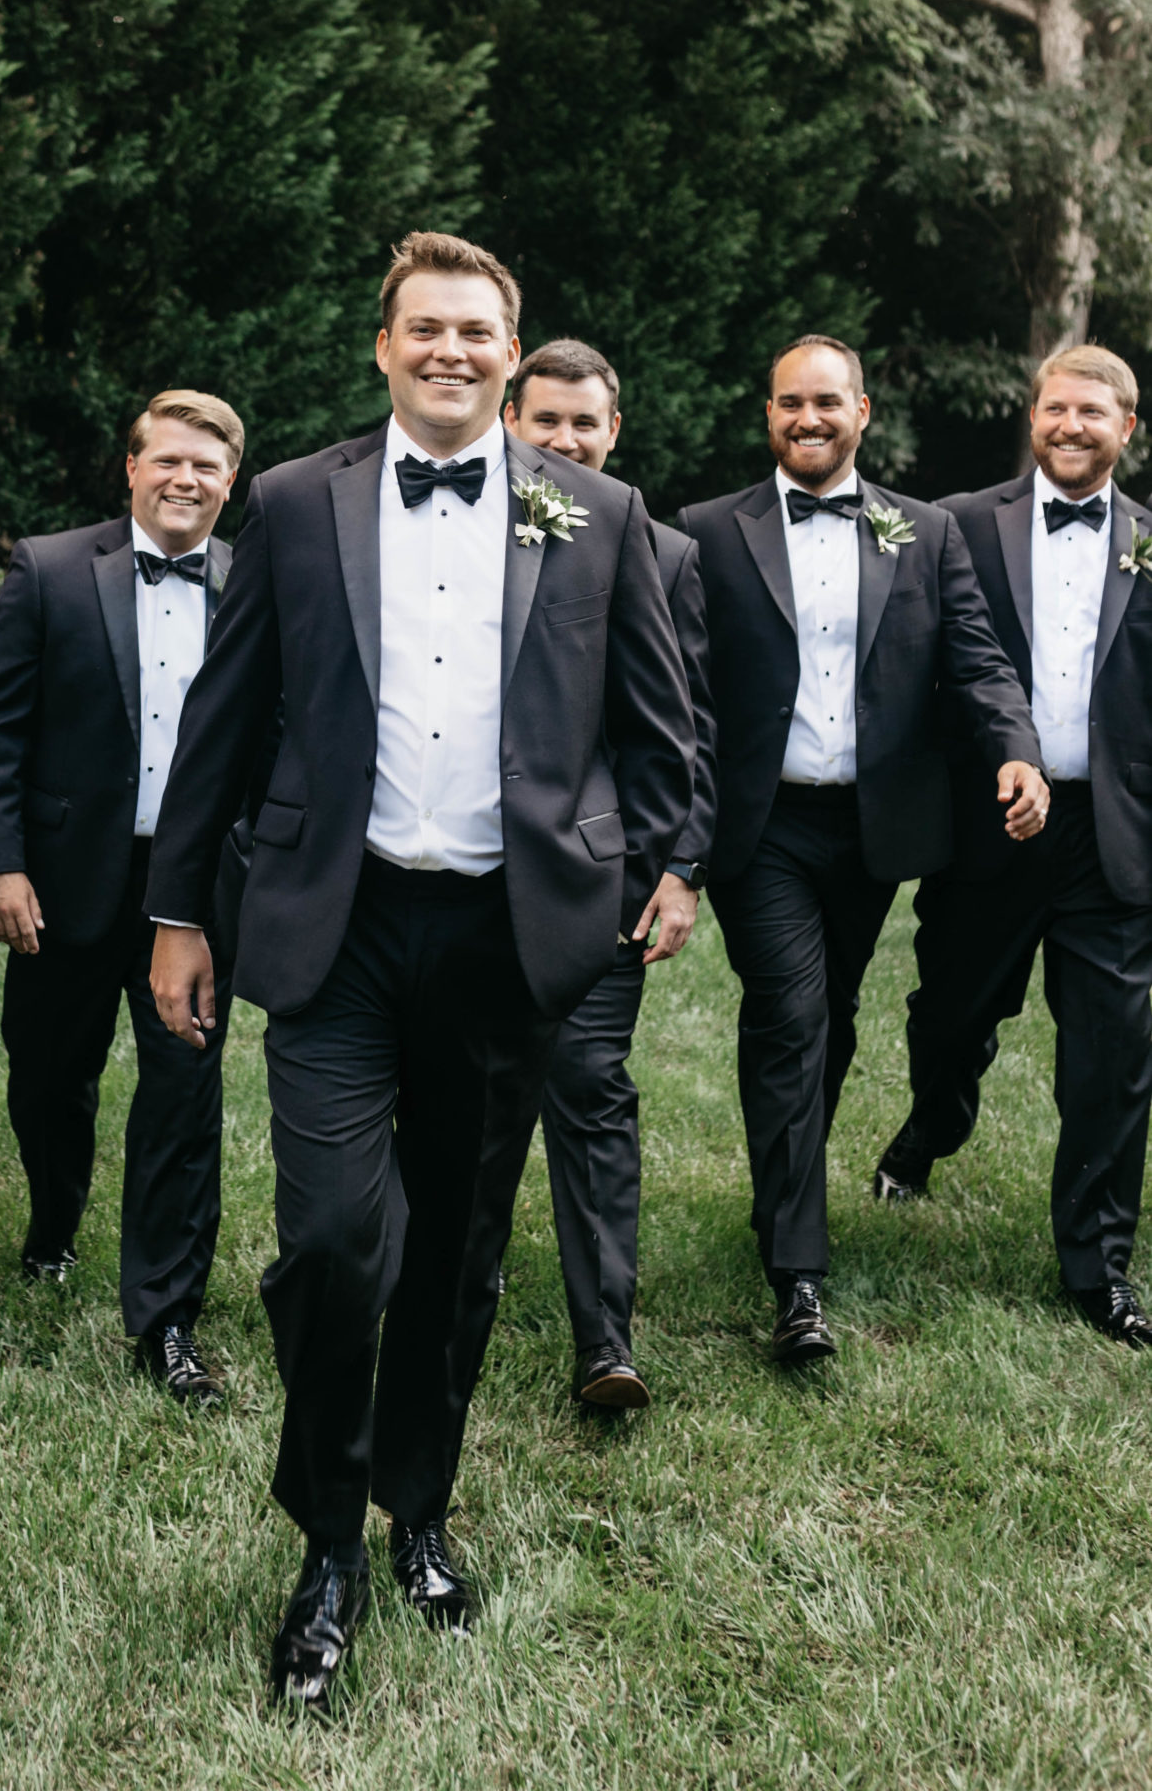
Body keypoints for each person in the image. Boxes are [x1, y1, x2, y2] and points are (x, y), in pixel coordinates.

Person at [145, 232, 694, 1714]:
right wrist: (178, 912)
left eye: (475, 331)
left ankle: (417, 1508)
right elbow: (222, 715)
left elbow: (658, 721)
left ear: (511, 353)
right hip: (335, 926)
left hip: (507, 941)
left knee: (455, 1253)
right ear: (383, 347)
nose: (450, 351)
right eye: (424, 329)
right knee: (334, 1241)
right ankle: (325, 1544)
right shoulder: (291, 501)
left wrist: (665, 864)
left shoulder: (598, 513)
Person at [673, 335, 1048, 1366]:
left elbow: (977, 660)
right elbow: (683, 689)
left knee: (830, 1019)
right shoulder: (707, 531)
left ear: (862, 412)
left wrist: (1016, 750)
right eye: (790, 402)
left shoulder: (924, 532)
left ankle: (780, 1190)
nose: (808, 418)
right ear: (768, 414)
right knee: (790, 1014)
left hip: (873, 827)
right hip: (762, 825)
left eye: (827, 402)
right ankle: (798, 1276)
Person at [0, 389, 244, 1404]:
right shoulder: (49, 569)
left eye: (206, 466)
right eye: (167, 459)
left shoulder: (257, 581)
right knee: (46, 1076)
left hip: (196, 886)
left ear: (231, 482)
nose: (184, 479)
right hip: (65, 874)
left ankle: (166, 1317)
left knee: (182, 1094)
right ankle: (53, 1218)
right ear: (131, 468)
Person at [447, 338, 716, 1415]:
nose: (564, 440)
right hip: (464, 882)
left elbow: (687, 731)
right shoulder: (445, 536)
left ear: (614, 431)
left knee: (591, 1085)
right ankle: (452, 1293)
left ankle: (605, 1341)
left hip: (597, 881)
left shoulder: (665, 552)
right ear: (510, 420)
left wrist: (677, 867)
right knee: (465, 1095)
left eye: (584, 423)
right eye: (544, 419)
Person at [875, 346, 1152, 1344]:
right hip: (986, 828)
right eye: (1054, 409)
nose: (1070, 426)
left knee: (1111, 1057)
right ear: (1032, 417)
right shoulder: (958, 526)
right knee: (948, 1019)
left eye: (1092, 412)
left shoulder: (1150, 542)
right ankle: (932, 1125)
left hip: (1112, 833)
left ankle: (1098, 1264)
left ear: (1127, 430)